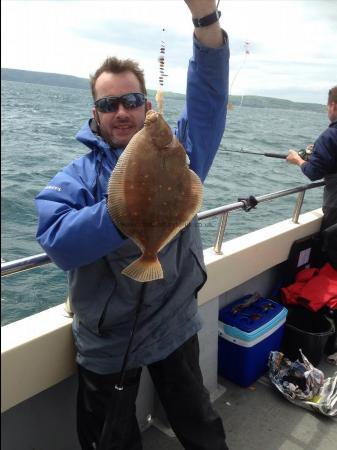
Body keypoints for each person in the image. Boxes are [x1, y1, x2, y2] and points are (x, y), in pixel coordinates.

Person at [35, 1, 229, 449]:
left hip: (174, 322)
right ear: (96, 113)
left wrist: (205, 17)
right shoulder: (77, 177)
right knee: (111, 441)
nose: (122, 111)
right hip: (108, 340)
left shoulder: (179, 153)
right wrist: (127, 209)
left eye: (133, 100)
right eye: (109, 104)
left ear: (146, 106)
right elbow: (57, 240)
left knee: (199, 423)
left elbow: (209, 100)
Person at [287, 85, 337, 231]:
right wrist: (318, 153)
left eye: (328, 107)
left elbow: (314, 172)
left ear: (333, 106)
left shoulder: (329, 136)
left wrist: (298, 159)